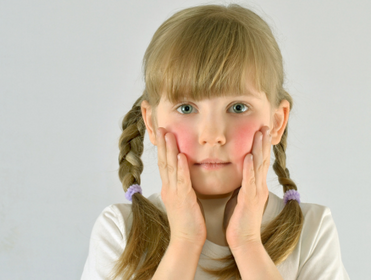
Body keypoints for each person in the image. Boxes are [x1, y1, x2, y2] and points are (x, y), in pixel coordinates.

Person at [81, 3, 349, 280]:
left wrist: (247, 243)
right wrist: (184, 241)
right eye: (186, 108)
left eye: (237, 108)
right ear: (151, 122)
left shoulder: (311, 231)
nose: (212, 134)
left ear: (278, 122)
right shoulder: (121, 231)